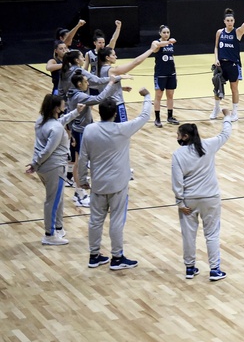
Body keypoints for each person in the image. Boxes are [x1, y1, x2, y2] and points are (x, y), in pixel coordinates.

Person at [77, 88, 153, 270]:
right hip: (118, 184)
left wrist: (82, 179)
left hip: (98, 183)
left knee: (95, 220)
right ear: (113, 114)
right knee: (117, 221)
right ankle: (117, 258)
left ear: (100, 112)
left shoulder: (89, 130)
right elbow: (144, 116)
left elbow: (82, 158)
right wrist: (147, 96)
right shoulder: (122, 129)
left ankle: (94, 255)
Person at [171, 110, 233, 282]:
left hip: (189, 200)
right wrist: (227, 116)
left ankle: (190, 268)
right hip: (210, 198)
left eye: (178, 135)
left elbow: (177, 182)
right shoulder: (208, 145)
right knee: (212, 234)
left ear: (184, 137)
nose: (176, 137)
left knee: (189, 235)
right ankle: (214, 270)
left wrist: (179, 202)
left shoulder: (178, 154)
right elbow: (225, 133)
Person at [26, 94, 84, 245]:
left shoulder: (41, 121)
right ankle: (49, 234)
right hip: (54, 167)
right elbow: (48, 150)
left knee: (58, 198)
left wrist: (76, 112)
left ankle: (58, 228)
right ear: (56, 108)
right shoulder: (56, 128)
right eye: (63, 104)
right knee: (52, 201)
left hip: (46, 168)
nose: (65, 106)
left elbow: (60, 122)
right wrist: (35, 163)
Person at [65, 70, 124, 205]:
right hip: (80, 131)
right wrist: (110, 83)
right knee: (79, 163)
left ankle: (77, 187)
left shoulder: (74, 91)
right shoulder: (79, 96)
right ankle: (79, 193)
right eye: (86, 82)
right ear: (79, 84)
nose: (88, 83)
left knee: (80, 161)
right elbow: (98, 99)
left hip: (79, 129)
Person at [98, 40, 171, 123]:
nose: (116, 56)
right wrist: (150, 50)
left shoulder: (102, 69)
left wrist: (121, 88)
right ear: (107, 58)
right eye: (113, 55)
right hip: (116, 105)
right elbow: (135, 62)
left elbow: (105, 86)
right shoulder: (111, 70)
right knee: (122, 130)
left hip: (107, 106)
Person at [212, 3, 244, 121]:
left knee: (234, 88)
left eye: (232, 20)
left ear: (234, 21)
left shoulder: (237, 32)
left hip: (233, 64)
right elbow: (216, 47)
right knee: (217, 86)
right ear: (224, 21)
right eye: (228, 20)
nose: (230, 22)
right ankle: (216, 108)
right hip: (221, 64)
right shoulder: (219, 32)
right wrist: (216, 59)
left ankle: (235, 112)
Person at [153, 25, 179, 127]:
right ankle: (157, 118)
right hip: (160, 74)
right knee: (158, 96)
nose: (166, 34)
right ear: (160, 33)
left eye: (168, 32)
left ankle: (170, 116)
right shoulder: (156, 43)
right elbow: (156, 47)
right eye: (164, 32)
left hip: (171, 73)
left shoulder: (170, 44)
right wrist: (169, 42)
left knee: (170, 95)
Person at [85, 21, 121, 95]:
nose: (102, 45)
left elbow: (113, 40)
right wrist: (84, 80)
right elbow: (85, 69)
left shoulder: (106, 51)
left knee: (106, 102)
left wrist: (118, 27)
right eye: (100, 43)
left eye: (103, 42)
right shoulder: (89, 54)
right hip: (93, 82)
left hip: (104, 81)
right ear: (95, 43)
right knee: (91, 103)